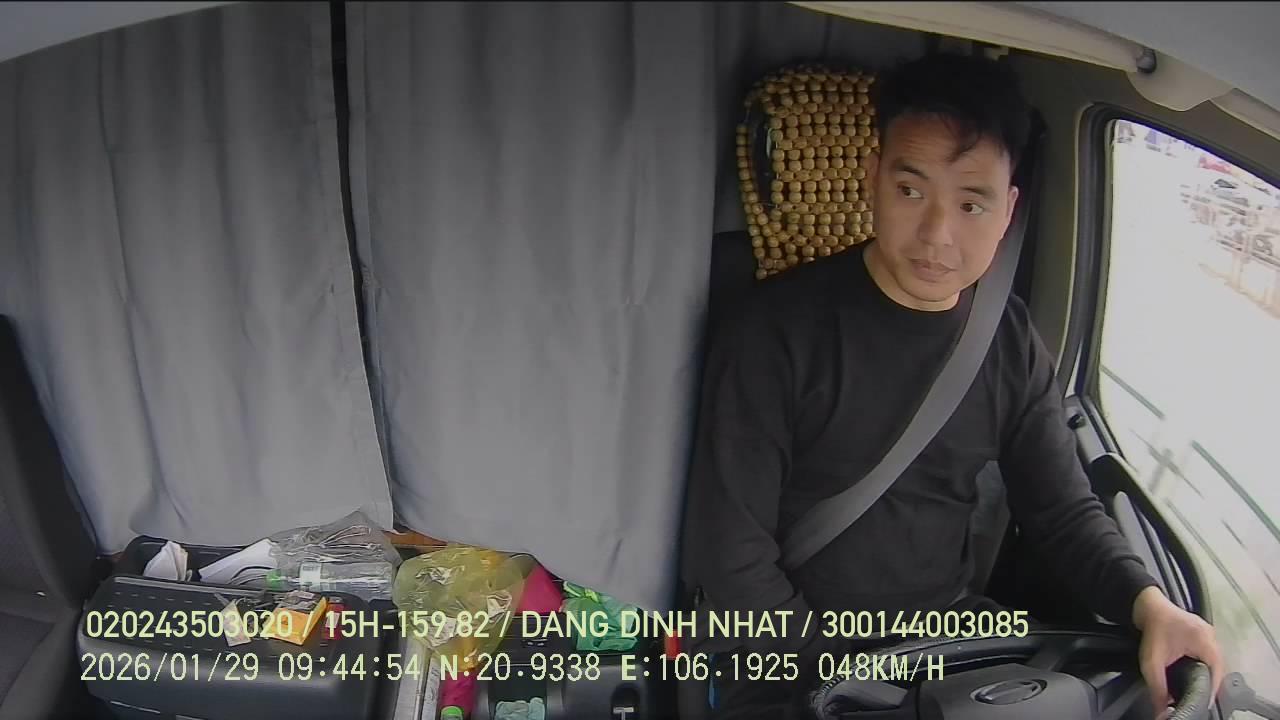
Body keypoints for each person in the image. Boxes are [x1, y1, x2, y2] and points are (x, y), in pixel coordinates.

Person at [680, 52, 1225, 719]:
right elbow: (729, 557)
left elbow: (1061, 511)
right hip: (787, 660)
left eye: (971, 204)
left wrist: (1151, 605)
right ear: (874, 178)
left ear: (1008, 210)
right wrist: (848, 684)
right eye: (912, 191)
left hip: (945, 645)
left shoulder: (1008, 340)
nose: (937, 235)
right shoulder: (773, 330)